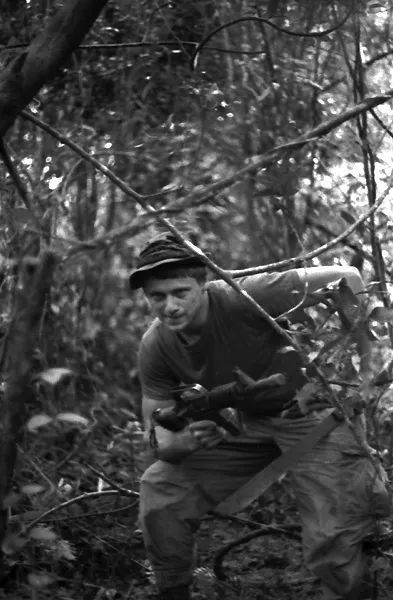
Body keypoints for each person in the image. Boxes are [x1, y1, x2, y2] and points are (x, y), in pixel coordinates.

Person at [130, 234, 391, 600]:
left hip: (315, 416)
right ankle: (173, 591)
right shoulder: (156, 345)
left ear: (203, 284)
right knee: (161, 488)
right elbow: (160, 439)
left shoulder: (243, 294)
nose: (169, 306)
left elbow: (347, 277)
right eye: (157, 297)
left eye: (180, 292)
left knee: (334, 532)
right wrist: (186, 441)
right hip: (247, 423)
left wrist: (361, 378)